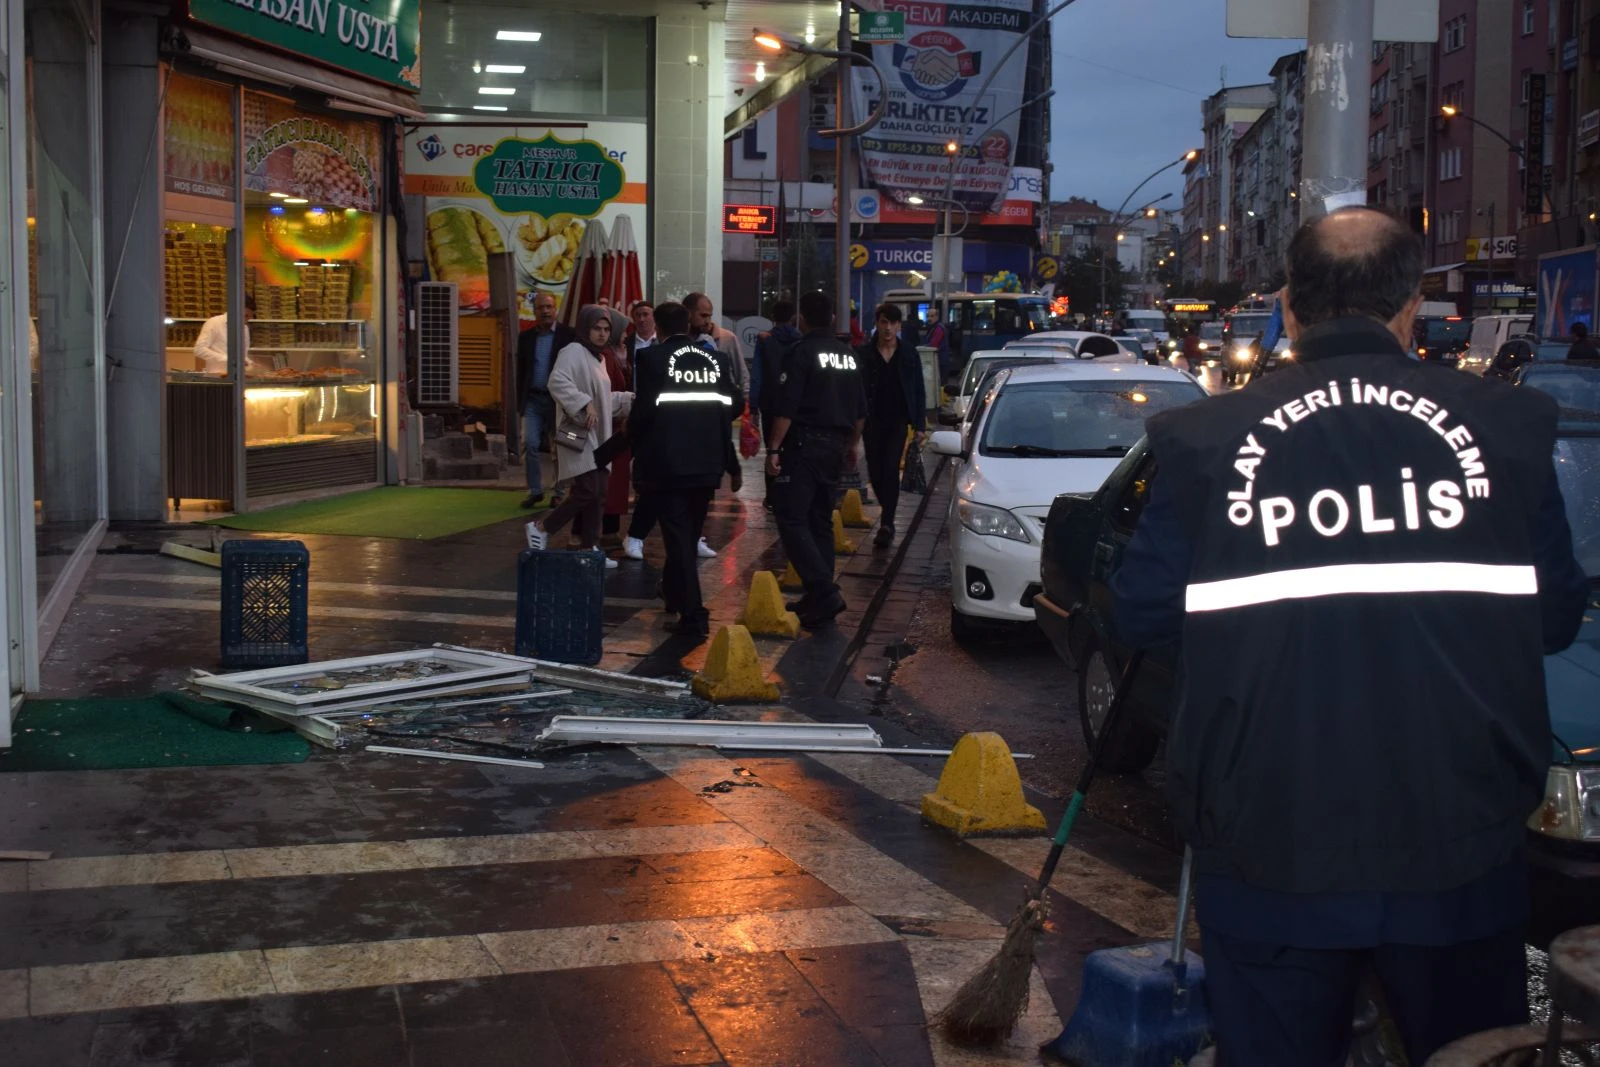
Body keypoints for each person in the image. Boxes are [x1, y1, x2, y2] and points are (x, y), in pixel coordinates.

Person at [1109, 208, 1589, 1067]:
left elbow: (1138, 612)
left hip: (1267, 847)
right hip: (1459, 848)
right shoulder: (1508, 427)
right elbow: (1553, 617)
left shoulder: (1204, 439)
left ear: (1289, 307)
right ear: (1411, 308)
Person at [629, 301, 742, 639]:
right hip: (707, 463)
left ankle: (694, 613)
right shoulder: (715, 360)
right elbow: (731, 408)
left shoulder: (650, 359)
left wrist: (634, 452)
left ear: (659, 329)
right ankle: (675, 595)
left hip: (668, 464)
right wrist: (730, 460)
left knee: (679, 539)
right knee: (687, 534)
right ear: (689, 325)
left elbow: (644, 412)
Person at [765, 291, 867, 628]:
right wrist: (852, 444)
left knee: (791, 518)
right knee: (820, 520)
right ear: (833, 319)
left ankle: (823, 590)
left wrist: (775, 448)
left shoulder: (802, 352)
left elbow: (787, 406)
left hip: (805, 446)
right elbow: (861, 409)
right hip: (836, 446)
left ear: (803, 320)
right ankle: (818, 596)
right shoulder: (848, 355)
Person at [525, 305, 632, 563]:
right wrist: (583, 402)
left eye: (606, 329)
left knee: (599, 492)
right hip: (577, 432)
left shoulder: (599, 357)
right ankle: (542, 527)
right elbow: (557, 381)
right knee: (587, 489)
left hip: (594, 434)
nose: (602, 334)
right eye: (597, 328)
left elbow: (602, 397)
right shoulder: (573, 351)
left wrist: (627, 400)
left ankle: (589, 547)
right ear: (585, 328)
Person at [857, 303, 926, 548]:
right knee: (875, 471)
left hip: (897, 420)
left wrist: (919, 424)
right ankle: (887, 511)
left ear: (898, 326)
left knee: (889, 467)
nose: (888, 328)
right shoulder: (865, 354)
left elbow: (918, 388)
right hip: (872, 421)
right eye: (883, 322)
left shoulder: (908, 353)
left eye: (892, 323)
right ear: (877, 323)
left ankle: (887, 522)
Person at [514, 292, 576, 509]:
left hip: (557, 401)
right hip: (533, 398)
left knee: (559, 446)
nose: (545, 311)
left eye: (549, 307)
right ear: (534, 311)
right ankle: (535, 490)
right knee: (529, 443)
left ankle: (559, 491)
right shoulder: (526, 338)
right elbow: (520, 371)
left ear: (555, 309)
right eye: (541, 307)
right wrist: (519, 402)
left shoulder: (568, 336)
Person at [752, 300, 803, 510]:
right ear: (793, 317)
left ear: (772, 317)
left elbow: (757, 376)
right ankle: (791, 493)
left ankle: (772, 496)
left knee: (773, 447)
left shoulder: (765, 341)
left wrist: (753, 406)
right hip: (795, 403)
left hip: (770, 402)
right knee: (792, 448)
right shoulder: (801, 341)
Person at [599, 305, 634, 548]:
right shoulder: (608, 357)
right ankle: (603, 533)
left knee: (611, 483)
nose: (625, 335)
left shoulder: (613, 354)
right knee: (607, 484)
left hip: (616, 430)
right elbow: (606, 395)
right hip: (611, 430)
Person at [685, 292, 749, 397]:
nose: (707, 321)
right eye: (703, 316)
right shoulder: (679, 341)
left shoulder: (727, 338)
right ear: (688, 314)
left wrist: (746, 403)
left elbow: (743, 376)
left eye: (709, 316)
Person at [193, 294, 254, 376]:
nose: (246, 320)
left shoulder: (244, 328)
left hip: (238, 377)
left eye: (249, 317)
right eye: (245, 316)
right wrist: (227, 359)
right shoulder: (214, 323)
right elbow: (199, 350)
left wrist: (250, 362)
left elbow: (243, 355)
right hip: (217, 377)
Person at [625, 299, 656, 369]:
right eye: (638, 315)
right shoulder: (626, 344)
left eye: (645, 314)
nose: (641, 319)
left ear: (654, 317)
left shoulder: (663, 342)